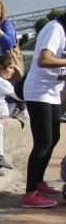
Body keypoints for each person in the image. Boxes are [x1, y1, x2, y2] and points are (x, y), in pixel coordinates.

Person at [21, 13, 66, 208]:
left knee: (54, 138)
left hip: (52, 91)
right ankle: (30, 193)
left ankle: (39, 183)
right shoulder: (55, 28)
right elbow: (44, 60)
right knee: (43, 141)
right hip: (38, 90)